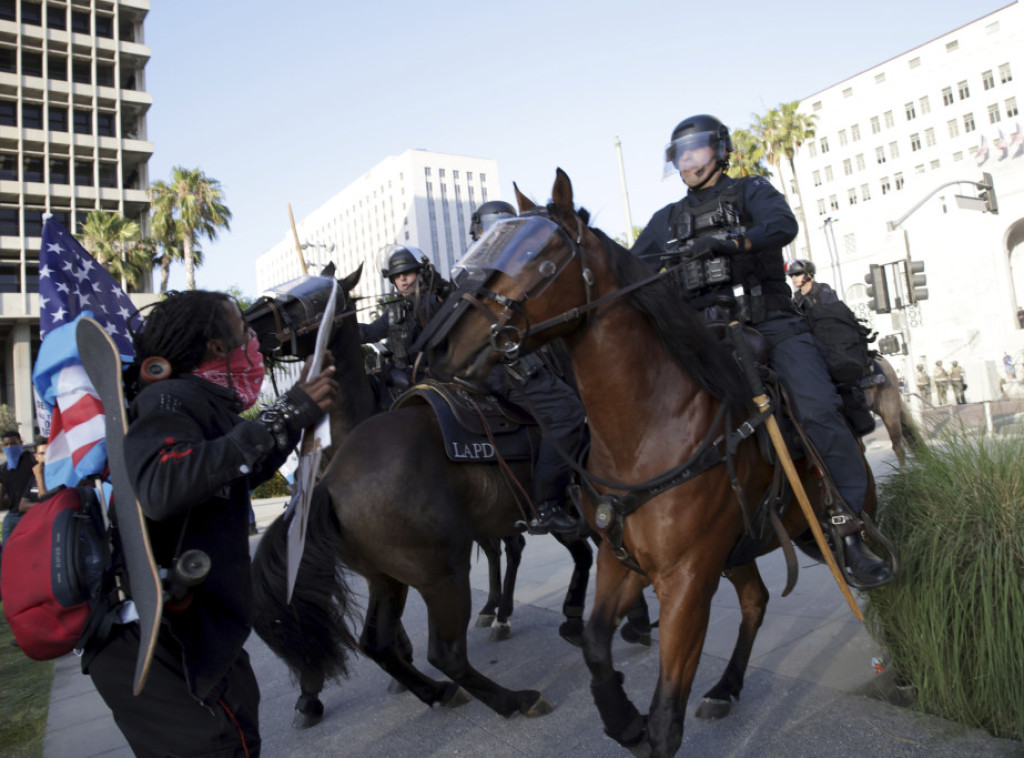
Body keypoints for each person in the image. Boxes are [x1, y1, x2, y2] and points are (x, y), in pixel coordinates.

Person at [630, 114, 892, 588]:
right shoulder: (664, 220)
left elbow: (781, 225)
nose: (688, 160)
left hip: (769, 324)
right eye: (681, 154)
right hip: (703, 336)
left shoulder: (753, 191)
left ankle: (851, 527)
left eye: (697, 150)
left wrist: (731, 240)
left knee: (816, 408)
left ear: (720, 152)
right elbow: (633, 269)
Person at [84, 289, 337, 758]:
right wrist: (284, 414)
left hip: (190, 634)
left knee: (239, 742)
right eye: (243, 331)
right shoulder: (168, 398)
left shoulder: (192, 402)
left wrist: (294, 418)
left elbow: (230, 477)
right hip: (157, 639)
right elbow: (163, 485)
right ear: (218, 347)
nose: (254, 343)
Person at [359, 245, 448, 403]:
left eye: (407, 272)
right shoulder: (394, 309)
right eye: (397, 275)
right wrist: (338, 326)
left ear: (419, 273)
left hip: (434, 380)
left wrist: (441, 289)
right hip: (400, 380)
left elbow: (450, 304)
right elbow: (372, 332)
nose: (402, 279)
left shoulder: (434, 299)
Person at [0, 430, 36, 545]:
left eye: (13, 443)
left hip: (31, 513)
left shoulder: (32, 460)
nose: (10, 447)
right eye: (6, 444)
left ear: (21, 442)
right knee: (7, 547)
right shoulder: (4, 468)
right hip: (13, 514)